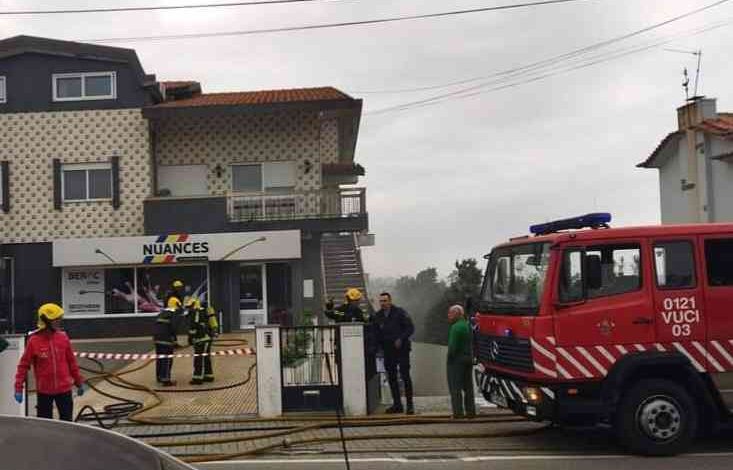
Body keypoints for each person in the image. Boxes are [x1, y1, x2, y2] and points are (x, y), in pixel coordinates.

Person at [14, 303, 84, 421]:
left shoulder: (63, 338)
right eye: (56, 319)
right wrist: (18, 388)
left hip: (64, 390)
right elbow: (23, 366)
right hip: (44, 392)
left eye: (59, 319)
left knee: (67, 424)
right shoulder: (34, 341)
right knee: (45, 425)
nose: (59, 322)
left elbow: (72, 362)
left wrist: (78, 381)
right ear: (46, 321)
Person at [373, 292, 415, 414]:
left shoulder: (400, 312)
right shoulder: (378, 316)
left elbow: (410, 328)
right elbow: (376, 334)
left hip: (402, 349)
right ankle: (397, 404)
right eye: (381, 301)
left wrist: (401, 338)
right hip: (388, 351)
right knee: (391, 378)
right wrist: (377, 349)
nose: (383, 303)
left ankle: (410, 405)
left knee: (405, 376)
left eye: (385, 301)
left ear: (390, 301)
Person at [446, 304, 476, 418]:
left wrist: (449, 359)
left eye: (450, 313)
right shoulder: (468, 326)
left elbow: (452, 347)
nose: (448, 315)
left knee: (455, 388)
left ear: (456, 314)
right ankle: (471, 412)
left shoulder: (455, 327)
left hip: (457, 361)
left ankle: (458, 413)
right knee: (468, 387)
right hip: (468, 359)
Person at [187, 299, 218, 385]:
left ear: (194, 305)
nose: (189, 309)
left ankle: (197, 378)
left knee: (199, 359)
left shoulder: (195, 313)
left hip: (201, 340)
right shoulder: (203, 311)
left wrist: (190, 338)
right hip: (206, 338)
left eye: (190, 307)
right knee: (206, 357)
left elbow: (193, 327)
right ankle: (208, 376)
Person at [154, 306, 179, 386]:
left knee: (160, 359)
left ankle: (159, 377)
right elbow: (174, 328)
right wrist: (175, 341)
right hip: (166, 340)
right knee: (167, 360)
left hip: (157, 339)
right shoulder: (173, 314)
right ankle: (166, 380)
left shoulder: (162, 313)